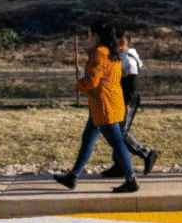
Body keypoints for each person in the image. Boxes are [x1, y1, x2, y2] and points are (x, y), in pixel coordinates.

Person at [54, 19, 140, 193]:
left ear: (96, 36)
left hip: (103, 106)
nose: (88, 38)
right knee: (88, 139)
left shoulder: (99, 53)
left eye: (89, 35)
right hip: (109, 103)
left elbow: (92, 82)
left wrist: (80, 84)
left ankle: (131, 179)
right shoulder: (112, 52)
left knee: (117, 143)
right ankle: (73, 176)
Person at [100, 31, 158, 177]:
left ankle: (146, 153)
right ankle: (120, 164)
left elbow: (133, 84)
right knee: (117, 131)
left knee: (120, 132)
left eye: (115, 43)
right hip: (120, 99)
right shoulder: (122, 57)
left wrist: (127, 102)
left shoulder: (128, 59)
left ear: (123, 44)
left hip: (128, 100)